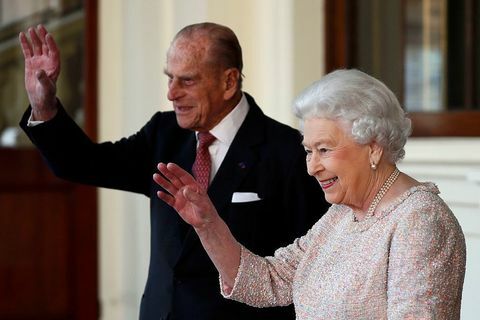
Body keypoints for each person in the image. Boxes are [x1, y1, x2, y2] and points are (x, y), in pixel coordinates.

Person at [18, 23, 329, 320]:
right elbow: (82, 163)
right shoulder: (162, 135)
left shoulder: (289, 152)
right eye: (170, 78)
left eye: (187, 80)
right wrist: (43, 105)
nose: (171, 93)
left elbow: (309, 270)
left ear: (229, 82)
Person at [153, 69, 467, 319]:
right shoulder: (341, 215)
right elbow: (269, 281)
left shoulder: (419, 221)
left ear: (373, 147)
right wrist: (208, 224)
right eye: (308, 151)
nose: (311, 167)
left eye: (324, 150)